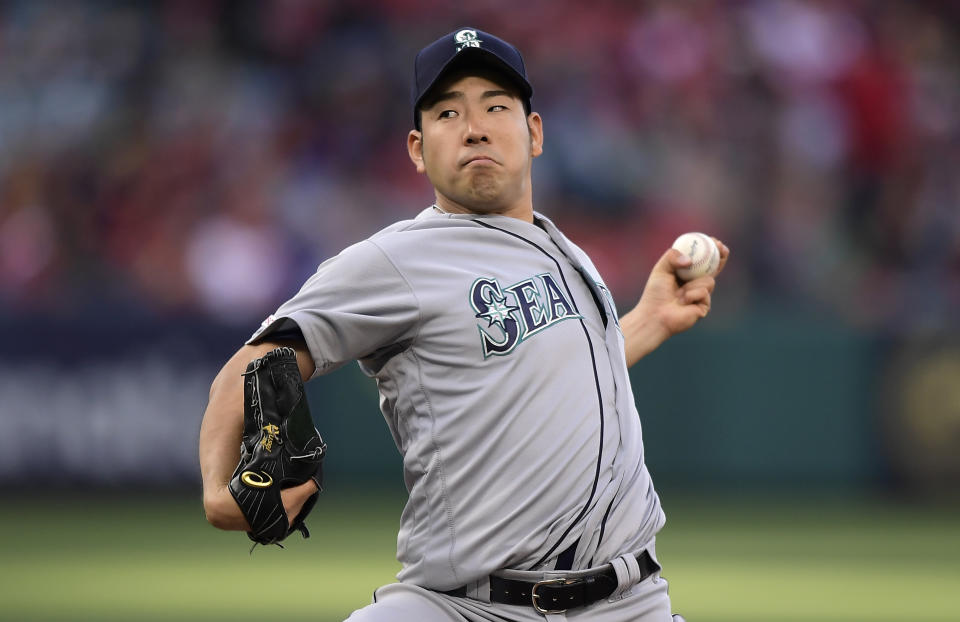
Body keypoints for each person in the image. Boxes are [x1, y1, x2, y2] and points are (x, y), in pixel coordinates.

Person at [199, 27, 728, 622]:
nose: (475, 126)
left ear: (534, 134)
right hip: (465, 608)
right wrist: (220, 492)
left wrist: (646, 321)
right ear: (418, 149)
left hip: (630, 605)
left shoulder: (568, 255)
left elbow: (555, 378)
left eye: (496, 106)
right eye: (448, 112)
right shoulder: (398, 259)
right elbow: (253, 365)